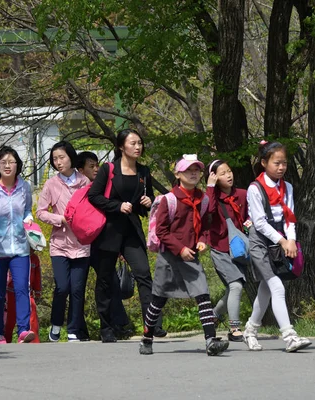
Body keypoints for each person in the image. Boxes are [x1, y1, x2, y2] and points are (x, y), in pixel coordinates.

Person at [141, 154, 229, 356]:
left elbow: (206, 224)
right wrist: (179, 248)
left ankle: (210, 340)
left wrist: (203, 240)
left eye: (197, 170)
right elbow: (162, 231)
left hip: (192, 257)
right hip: (170, 258)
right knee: (158, 300)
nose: (193, 173)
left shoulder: (203, 199)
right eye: (188, 170)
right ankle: (147, 337)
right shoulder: (169, 200)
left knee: (203, 295)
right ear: (178, 174)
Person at [87, 129, 160, 343]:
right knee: (105, 280)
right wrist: (117, 206)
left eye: (140, 143)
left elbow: (148, 200)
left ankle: (151, 324)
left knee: (144, 274)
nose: (138, 147)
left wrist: (147, 202)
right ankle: (107, 327)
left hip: (131, 230)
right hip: (108, 231)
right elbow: (94, 196)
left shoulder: (144, 171)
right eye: (133, 143)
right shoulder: (108, 169)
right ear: (121, 147)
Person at [242, 141, 312, 352]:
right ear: (264, 163)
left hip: (280, 239)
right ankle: (290, 336)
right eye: (276, 163)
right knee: (277, 287)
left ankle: (250, 331)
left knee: (266, 289)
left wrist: (290, 240)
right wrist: (283, 241)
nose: (281, 167)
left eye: (284, 163)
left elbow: (290, 217)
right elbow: (260, 222)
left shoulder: (287, 187)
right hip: (260, 242)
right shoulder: (255, 188)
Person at [0, 145, 35, 344]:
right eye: (3, 162)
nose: (8, 165)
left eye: (11, 162)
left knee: (21, 288)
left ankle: (23, 330)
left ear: (18, 165)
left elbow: (27, 210)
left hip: (20, 248)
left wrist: (29, 220)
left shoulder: (25, 187)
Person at [37, 141, 91, 342]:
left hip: (81, 243)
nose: (58, 162)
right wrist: (58, 219)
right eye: (54, 159)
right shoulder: (51, 184)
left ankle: (73, 329)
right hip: (59, 244)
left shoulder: (85, 182)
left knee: (77, 289)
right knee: (62, 287)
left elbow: (92, 208)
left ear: (71, 156)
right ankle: (56, 324)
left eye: (62, 157)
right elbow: (41, 212)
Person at [78, 151, 133, 339]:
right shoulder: (81, 189)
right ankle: (80, 329)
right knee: (82, 288)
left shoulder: (106, 186)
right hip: (78, 246)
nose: (95, 169)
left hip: (103, 241)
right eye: (91, 166)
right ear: (80, 169)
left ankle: (116, 324)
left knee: (109, 282)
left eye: (96, 165)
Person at [206, 159, 249, 342]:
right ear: (215, 177)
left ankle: (214, 315)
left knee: (232, 289)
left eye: (229, 171)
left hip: (239, 250)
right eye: (222, 173)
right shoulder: (212, 197)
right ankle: (234, 327)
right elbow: (208, 210)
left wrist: (250, 223)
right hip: (220, 248)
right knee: (236, 286)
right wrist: (210, 186)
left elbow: (249, 215)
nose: (228, 175)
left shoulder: (242, 194)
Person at [4, 249, 42, 343]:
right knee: (9, 320)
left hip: (28, 292)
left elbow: (37, 276)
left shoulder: (34, 258)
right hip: (11, 292)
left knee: (32, 316)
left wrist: (38, 291)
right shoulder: (13, 255)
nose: (32, 249)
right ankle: (5, 340)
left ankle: (32, 341)